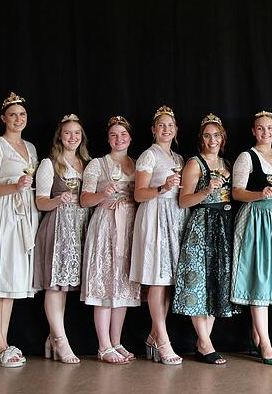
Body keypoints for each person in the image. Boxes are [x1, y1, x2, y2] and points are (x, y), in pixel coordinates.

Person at [172, 113, 241, 365]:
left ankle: (204, 342)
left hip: (223, 225)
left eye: (217, 135)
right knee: (198, 281)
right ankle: (205, 342)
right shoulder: (194, 163)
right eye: (208, 135)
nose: (213, 139)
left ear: (223, 138)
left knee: (216, 282)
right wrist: (206, 190)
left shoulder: (227, 163)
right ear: (201, 138)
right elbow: (183, 201)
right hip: (202, 225)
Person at [0, 92, 39, 367]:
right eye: (13, 115)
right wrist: (14, 186)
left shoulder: (30, 147)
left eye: (22, 114)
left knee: (10, 278)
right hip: (2, 212)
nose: (18, 119)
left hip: (22, 214)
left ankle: (3, 340)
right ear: (4, 118)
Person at [230, 111, 272, 365]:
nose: (265, 132)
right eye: (260, 128)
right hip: (256, 218)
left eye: (269, 128)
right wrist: (259, 194)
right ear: (253, 131)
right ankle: (265, 344)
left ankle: (258, 338)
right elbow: (236, 193)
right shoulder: (247, 157)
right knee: (258, 275)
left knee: (270, 276)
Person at [80, 116, 140, 364]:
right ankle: (103, 345)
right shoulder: (97, 164)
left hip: (129, 225)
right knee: (104, 282)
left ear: (130, 138)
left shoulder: (136, 164)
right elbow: (84, 200)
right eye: (114, 135)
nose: (119, 139)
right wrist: (101, 194)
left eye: (123, 134)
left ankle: (116, 341)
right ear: (108, 138)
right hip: (106, 224)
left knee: (123, 286)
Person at [130, 106, 187, 365]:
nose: (166, 129)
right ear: (154, 130)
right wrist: (162, 187)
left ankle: (154, 335)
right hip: (154, 217)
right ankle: (163, 341)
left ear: (175, 131)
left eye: (170, 125)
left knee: (168, 283)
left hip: (174, 217)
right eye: (161, 125)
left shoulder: (178, 158)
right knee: (157, 279)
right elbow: (139, 194)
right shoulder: (148, 156)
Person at [33, 114, 91, 364]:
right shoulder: (50, 163)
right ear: (60, 136)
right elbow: (40, 201)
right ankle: (59, 339)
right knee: (56, 286)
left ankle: (52, 336)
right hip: (58, 227)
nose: (72, 137)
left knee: (67, 288)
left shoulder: (86, 162)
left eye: (76, 133)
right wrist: (58, 200)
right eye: (67, 133)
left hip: (80, 227)